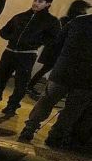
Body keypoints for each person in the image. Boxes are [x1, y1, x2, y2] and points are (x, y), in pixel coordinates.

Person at [0, 0, 59, 116]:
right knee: (0, 78)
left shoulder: (51, 21)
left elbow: (54, 38)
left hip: (27, 54)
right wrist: (12, 37)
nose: (36, 3)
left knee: (21, 82)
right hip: (10, 52)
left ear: (48, 4)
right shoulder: (20, 16)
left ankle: (12, 106)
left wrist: (35, 42)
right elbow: (4, 31)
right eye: (35, 0)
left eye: (40, 2)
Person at [19, 13, 92, 146]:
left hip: (63, 70)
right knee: (72, 109)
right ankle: (55, 136)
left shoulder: (77, 21)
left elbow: (57, 43)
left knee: (46, 101)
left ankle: (30, 128)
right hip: (87, 78)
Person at [26, 0, 90, 96]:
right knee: (48, 70)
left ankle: (33, 87)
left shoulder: (68, 20)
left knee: (47, 70)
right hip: (56, 51)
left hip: (56, 51)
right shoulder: (69, 21)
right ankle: (33, 87)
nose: (85, 12)